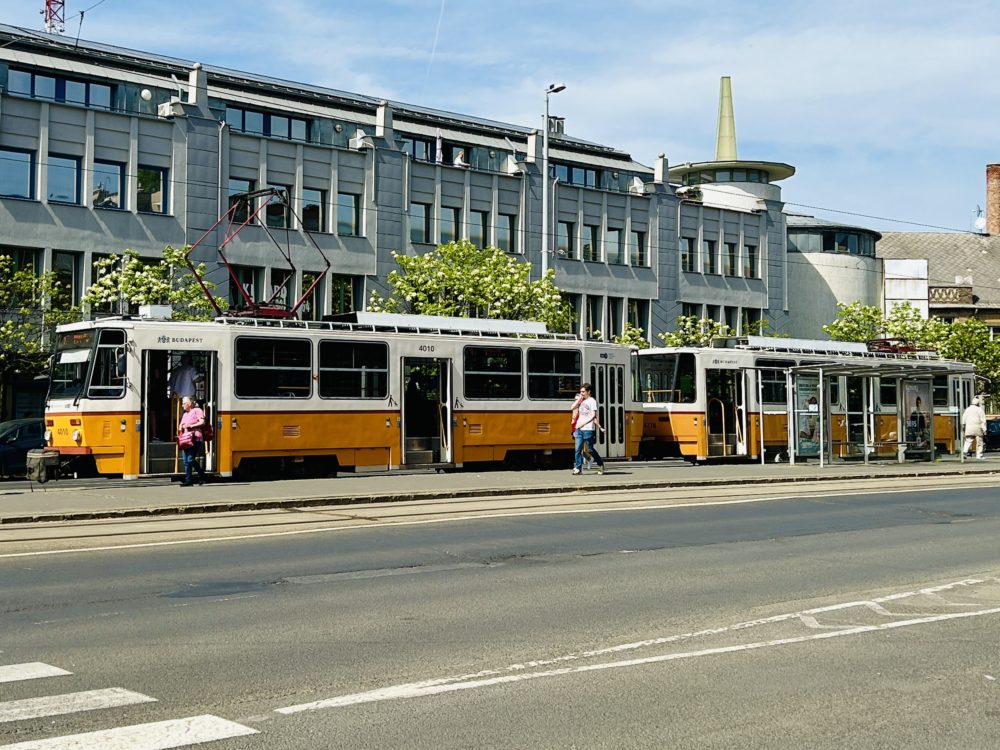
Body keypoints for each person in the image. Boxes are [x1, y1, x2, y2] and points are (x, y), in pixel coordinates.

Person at [572, 383, 605, 476]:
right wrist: (579, 399)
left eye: (583, 392)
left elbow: (593, 415)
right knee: (578, 449)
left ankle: (600, 464)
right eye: (580, 392)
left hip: (588, 429)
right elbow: (572, 407)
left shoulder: (592, 401)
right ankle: (578, 468)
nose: (581, 393)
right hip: (579, 428)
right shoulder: (581, 400)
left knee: (590, 449)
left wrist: (599, 427)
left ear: (588, 392)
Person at [177, 395, 207, 486]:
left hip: (195, 438)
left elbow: (202, 422)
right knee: (186, 461)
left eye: (184, 403)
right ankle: (188, 480)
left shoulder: (198, 410)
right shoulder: (185, 414)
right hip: (185, 439)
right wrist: (180, 427)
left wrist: (192, 426)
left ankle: (202, 475)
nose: (182, 405)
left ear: (189, 404)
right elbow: (181, 424)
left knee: (190, 459)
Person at [571, 391, 594, 469]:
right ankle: (588, 459)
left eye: (578, 399)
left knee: (579, 448)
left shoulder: (582, 409)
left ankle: (580, 465)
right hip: (575, 428)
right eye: (575, 399)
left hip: (581, 428)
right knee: (578, 448)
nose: (576, 401)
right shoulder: (575, 407)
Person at [962, 396, 987, 460]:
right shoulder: (980, 410)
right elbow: (983, 421)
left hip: (969, 428)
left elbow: (963, 418)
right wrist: (984, 430)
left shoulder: (967, 409)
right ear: (978, 403)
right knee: (979, 442)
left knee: (968, 440)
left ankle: (964, 453)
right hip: (978, 428)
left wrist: (963, 426)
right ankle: (979, 455)